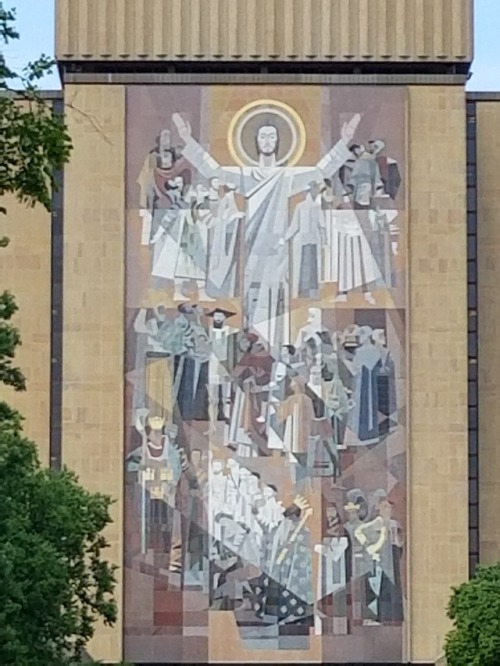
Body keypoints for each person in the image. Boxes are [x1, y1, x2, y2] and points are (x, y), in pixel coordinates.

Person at [172, 112, 361, 349]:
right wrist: (188, 141)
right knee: (251, 303)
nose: (268, 141)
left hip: (277, 252)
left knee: (277, 302)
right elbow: (215, 171)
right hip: (252, 251)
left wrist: (343, 142)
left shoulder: (287, 176)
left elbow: (320, 172)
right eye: (263, 137)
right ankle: (252, 350)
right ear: (255, 142)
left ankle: (276, 353)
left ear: (279, 141)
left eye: (272, 136)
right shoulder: (246, 175)